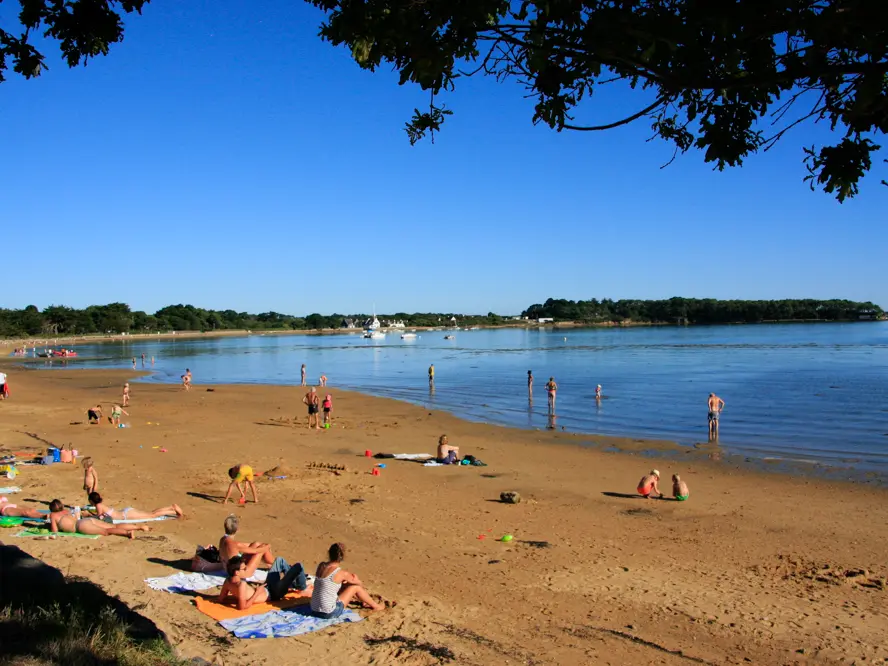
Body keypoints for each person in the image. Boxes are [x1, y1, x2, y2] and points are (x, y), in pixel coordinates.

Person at [310, 542, 384, 619]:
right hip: (329, 613)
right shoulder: (341, 573)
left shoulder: (321, 565)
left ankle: (364, 601)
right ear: (342, 556)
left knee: (341, 585)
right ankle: (377, 606)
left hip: (314, 610)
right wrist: (355, 578)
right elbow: (359, 583)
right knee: (355, 587)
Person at [48, 499, 149, 538]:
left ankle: (127, 533)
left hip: (80, 526)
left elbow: (54, 530)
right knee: (113, 525)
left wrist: (52, 526)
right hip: (85, 520)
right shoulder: (66, 511)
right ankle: (138, 527)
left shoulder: (53, 515)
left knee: (106, 531)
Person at [88, 492, 184, 521]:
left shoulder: (98, 506)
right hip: (126, 512)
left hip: (126, 515)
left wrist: (89, 515)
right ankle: (171, 508)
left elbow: (100, 518)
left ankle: (173, 510)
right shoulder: (101, 504)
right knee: (151, 513)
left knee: (152, 515)